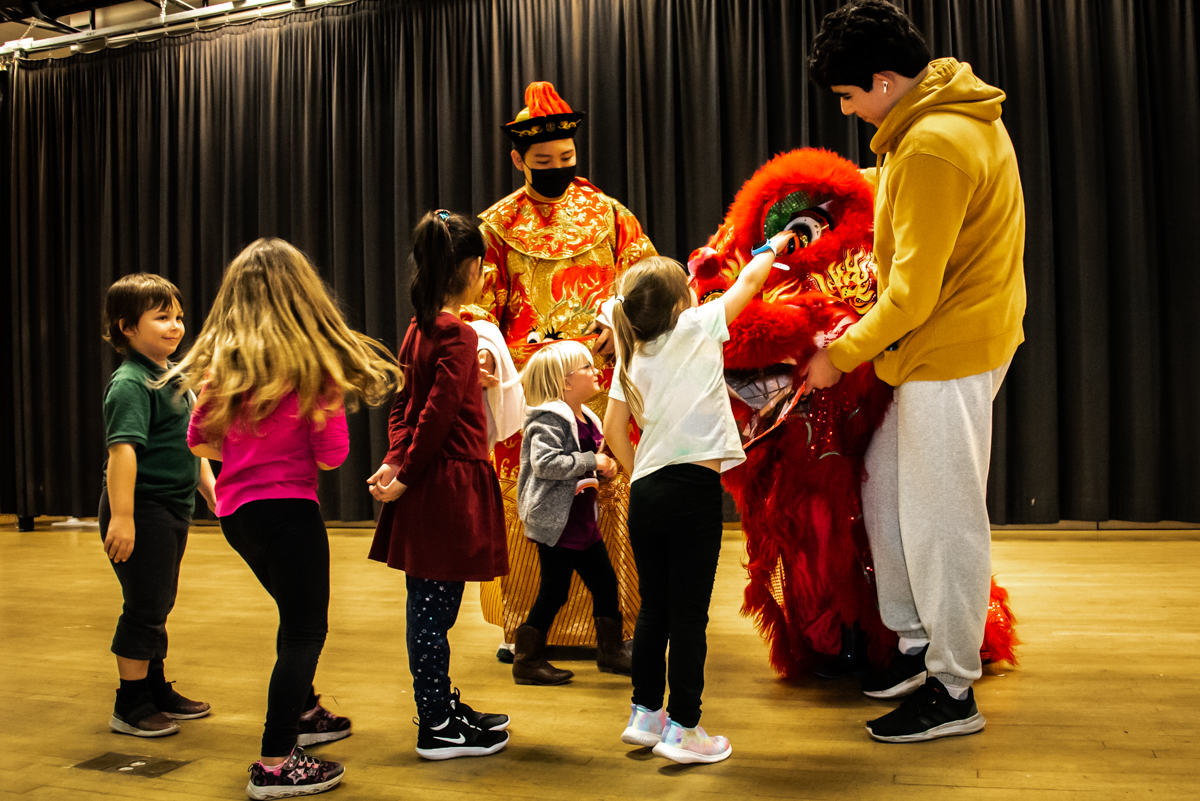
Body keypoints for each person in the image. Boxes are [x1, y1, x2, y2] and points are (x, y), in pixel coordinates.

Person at [806, 0, 1027, 743]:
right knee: (888, 491)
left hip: (948, 350)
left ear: (886, 79)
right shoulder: (937, 120)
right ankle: (912, 647)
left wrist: (837, 354)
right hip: (936, 347)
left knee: (943, 519)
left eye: (848, 96)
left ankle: (954, 688)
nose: (848, 111)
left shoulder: (933, 142)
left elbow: (910, 293)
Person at [174, 238, 402, 798]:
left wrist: (250, 450)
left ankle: (303, 712)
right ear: (305, 296)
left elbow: (198, 442)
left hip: (238, 516)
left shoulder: (223, 371)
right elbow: (332, 456)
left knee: (292, 618)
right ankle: (275, 763)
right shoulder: (312, 371)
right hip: (291, 514)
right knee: (305, 631)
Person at [469, 80, 656, 658]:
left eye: (567, 159)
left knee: (606, 497)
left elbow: (645, 281)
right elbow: (476, 301)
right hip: (531, 392)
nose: (557, 168)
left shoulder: (610, 216)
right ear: (518, 159)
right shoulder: (495, 226)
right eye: (543, 161)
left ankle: (617, 620)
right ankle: (528, 625)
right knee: (535, 499)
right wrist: (480, 342)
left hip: (600, 385)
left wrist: (618, 322)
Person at [602, 232, 797, 765]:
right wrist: (775, 245)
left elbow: (613, 428)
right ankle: (685, 727)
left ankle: (646, 715)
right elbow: (751, 282)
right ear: (680, 302)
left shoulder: (632, 351)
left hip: (646, 493)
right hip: (691, 492)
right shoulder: (696, 325)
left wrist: (640, 467)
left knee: (654, 612)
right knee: (689, 615)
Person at [367, 210, 510, 761]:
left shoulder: (420, 327)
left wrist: (395, 459)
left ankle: (441, 710)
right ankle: (435, 724)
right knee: (433, 612)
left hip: (430, 478)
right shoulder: (456, 330)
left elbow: (407, 406)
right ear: (472, 268)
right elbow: (436, 416)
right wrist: (403, 472)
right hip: (445, 484)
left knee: (431, 608)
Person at [99, 273, 217, 738]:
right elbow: (121, 452)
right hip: (141, 509)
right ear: (128, 327)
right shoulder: (130, 383)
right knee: (144, 606)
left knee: (159, 601)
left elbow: (191, 442)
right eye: (162, 318)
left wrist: (208, 487)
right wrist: (123, 517)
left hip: (171, 507)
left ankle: (153, 686)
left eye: (178, 317)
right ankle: (130, 704)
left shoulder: (171, 376)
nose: (175, 327)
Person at [513, 341, 630, 685]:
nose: (596, 372)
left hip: (579, 521)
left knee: (605, 583)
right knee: (555, 590)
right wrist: (592, 461)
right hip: (557, 523)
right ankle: (527, 658)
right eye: (586, 368)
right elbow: (545, 463)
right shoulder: (549, 418)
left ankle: (610, 650)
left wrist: (601, 469)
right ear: (564, 382)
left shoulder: (584, 416)